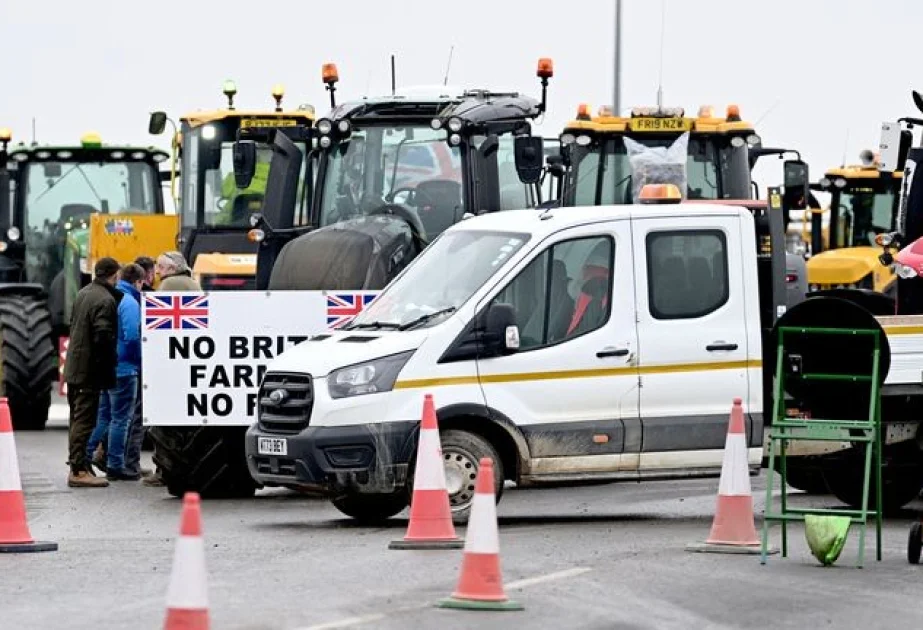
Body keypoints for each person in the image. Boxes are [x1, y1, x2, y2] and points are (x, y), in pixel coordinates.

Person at [64, 257, 122, 488]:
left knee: (77, 419)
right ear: (114, 275)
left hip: (75, 366)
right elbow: (103, 338)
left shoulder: (84, 293)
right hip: (89, 370)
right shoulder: (105, 300)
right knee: (84, 420)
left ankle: (80, 464)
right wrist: (107, 370)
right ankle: (78, 470)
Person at [86, 263, 144, 480]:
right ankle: (115, 465)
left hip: (107, 366)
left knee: (103, 417)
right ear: (138, 282)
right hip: (125, 369)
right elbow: (131, 335)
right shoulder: (128, 302)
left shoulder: (108, 296)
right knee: (121, 419)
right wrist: (141, 360)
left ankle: (84, 456)